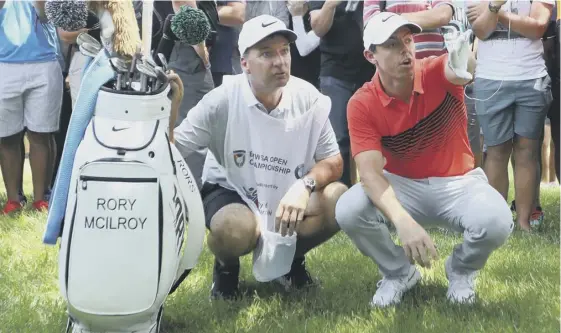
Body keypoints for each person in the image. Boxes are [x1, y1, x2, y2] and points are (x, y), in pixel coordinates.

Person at [335, 12, 513, 307]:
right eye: (391, 45)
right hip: (403, 186)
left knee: (497, 221)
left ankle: (460, 270)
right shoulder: (361, 103)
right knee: (349, 208)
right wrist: (403, 222)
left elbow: (460, 69)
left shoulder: (434, 70)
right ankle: (399, 272)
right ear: (371, 56)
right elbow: (368, 174)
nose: (405, 50)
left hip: (459, 183)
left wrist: (461, 55)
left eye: (407, 40)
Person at [174, 14, 347, 300]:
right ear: (245, 63)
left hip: (288, 191)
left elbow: (334, 161)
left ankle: (289, 262)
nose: (280, 61)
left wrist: (304, 187)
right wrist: (169, 107)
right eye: (266, 54)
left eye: (284, 51)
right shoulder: (223, 99)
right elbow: (173, 147)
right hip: (232, 191)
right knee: (233, 229)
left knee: (339, 198)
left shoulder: (308, 97)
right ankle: (226, 268)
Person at [467, 0, 554, 231]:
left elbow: (537, 27)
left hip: (531, 77)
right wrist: (495, 9)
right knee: (496, 152)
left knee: (527, 151)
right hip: (490, 78)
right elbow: (481, 30)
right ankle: (499, 225)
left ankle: (524, 223)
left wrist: (496, 11)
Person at [0, 0, 63, 214]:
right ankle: (13, 199)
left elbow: (48, 15)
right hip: (3, 64)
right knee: (6, 136)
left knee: (41, 134)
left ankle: (41, 199)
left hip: (44, 62)